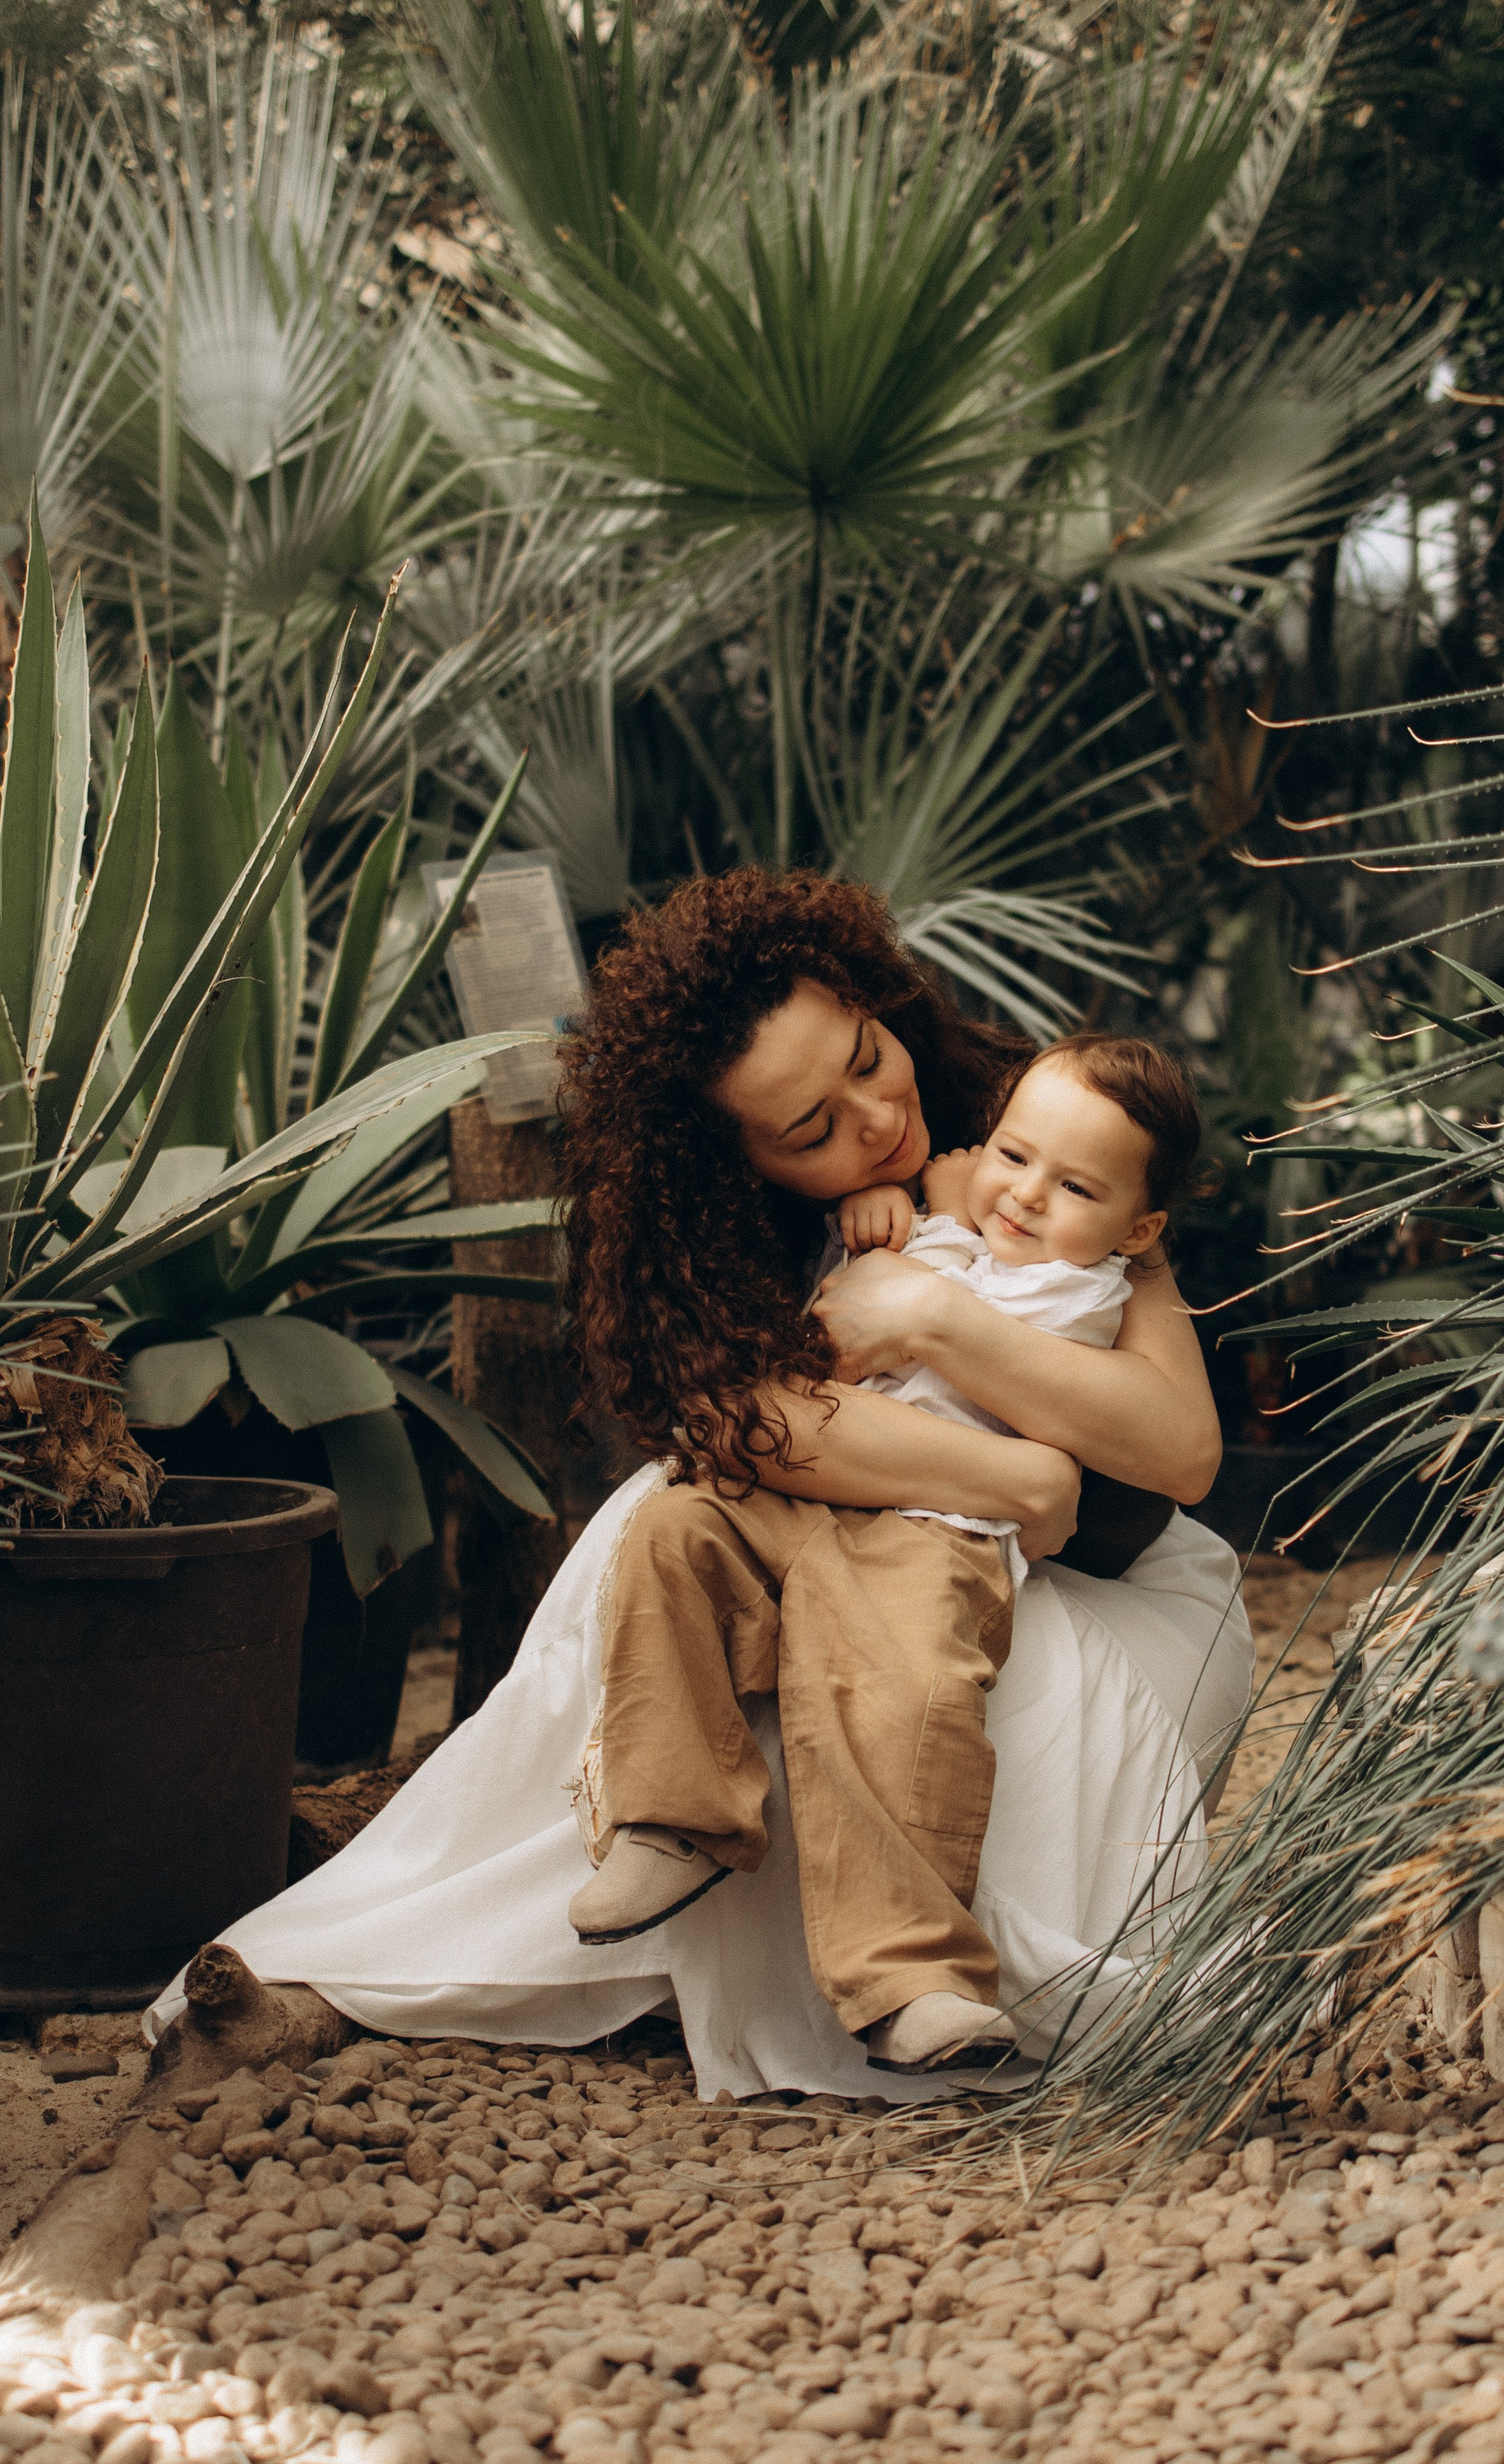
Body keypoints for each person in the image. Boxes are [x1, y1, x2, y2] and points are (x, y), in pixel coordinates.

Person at [146, 872, 1253, 2103]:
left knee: (912, 1651)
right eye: (810, 1130)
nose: (877, 1119)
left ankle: (912, 1971)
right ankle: (665, 1830)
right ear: (732, 1156)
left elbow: (1179, 1447)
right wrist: (1026, 1471)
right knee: (666, 1539)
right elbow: (762, 1433)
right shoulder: (716, 1235)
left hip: (1074, 1573)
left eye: (867, 1058)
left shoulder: (1024, 1138)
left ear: (873, 999)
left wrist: (935, 1313)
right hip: (906, 1503)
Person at [830, 1031, 1199, 1584]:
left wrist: (946, 1220)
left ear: (1139, 1231)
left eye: (1075, 1186)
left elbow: (934, 1320)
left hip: (963, 1529)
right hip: (894, 1501)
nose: (1027, 1193)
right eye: (1011, 1155)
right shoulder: (1030, 1233)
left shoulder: (1081, 1285)